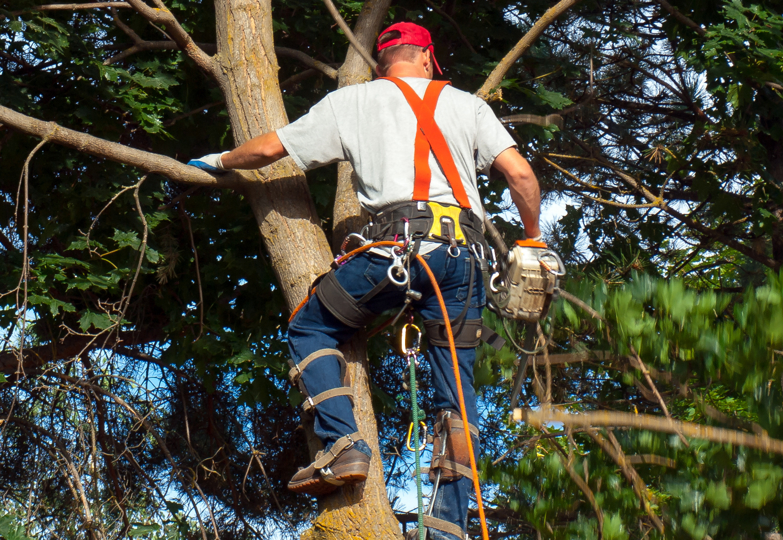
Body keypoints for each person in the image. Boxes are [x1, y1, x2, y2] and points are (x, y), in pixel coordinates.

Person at [189, 22, 542, 540]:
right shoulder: (468, 105)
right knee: (456, 396)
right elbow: (521, 176)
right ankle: (445, 526)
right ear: (427, 58)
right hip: (465, 261)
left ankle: (342, 446)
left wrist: (218, 160)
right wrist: (532, 238)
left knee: (311, 327)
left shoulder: (351, 102)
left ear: (381, 64)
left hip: (396, 251)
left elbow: (269, 150)